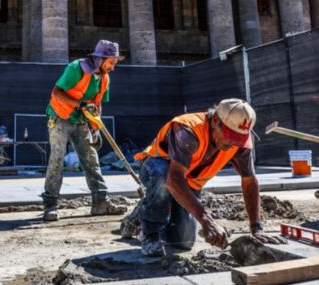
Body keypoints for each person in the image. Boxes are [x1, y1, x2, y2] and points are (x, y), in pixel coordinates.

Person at [120, 98, 286, 257]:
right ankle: (150, 232)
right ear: (215, 121)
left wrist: (256, 228)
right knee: (163, 178)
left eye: (238, 139)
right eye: (230, 136)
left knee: (183, 242)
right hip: (156, 169)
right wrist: (208, 222)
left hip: (189, 184)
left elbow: (249, 181)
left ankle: (144, 212)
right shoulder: (188, 130)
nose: (233, 143)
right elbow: (174, 180)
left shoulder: (239, 141)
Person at [41, 40, 128, 221]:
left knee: (91, 159)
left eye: (115, 63)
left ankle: (100, 203)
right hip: (60, 117)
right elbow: (56, 92)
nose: (113, 67)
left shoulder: (104, 78)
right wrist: (79, 105)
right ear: (100, 59)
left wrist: (95, 128)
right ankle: (50, 204)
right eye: (111, 62)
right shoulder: (76, 69)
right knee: (56, 159)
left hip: (81, 120)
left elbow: (97, 104)